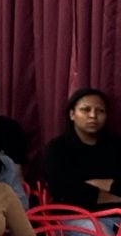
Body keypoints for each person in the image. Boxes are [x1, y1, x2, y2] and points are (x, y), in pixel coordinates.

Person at [37, 87, 121, 216]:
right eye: (85, 110)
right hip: (75, 218)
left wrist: (96, 185)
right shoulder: (56, 149)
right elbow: (67, 192)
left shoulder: (116, 146)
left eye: (100, 111)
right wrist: (115, 193)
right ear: (72, 114)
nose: (93, 116)